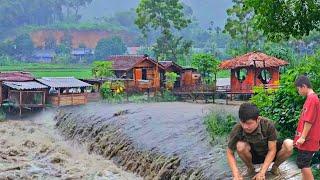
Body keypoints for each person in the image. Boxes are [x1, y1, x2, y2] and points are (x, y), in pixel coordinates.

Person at [226, 103, 293, 180]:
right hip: (254, 155)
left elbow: (272, 150)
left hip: (270, 153)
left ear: (258, 120)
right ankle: (250, 168)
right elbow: (229, 152)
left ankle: (275, 167)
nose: (245, 127)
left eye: (249, 123)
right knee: (240, 145)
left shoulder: (268, 124)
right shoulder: (237, 129)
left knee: (289, 144)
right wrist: (236, 174)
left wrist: (262, 172)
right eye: (242, 122)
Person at [294, 75, 320, 180]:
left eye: (298, 89)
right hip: (308, 139)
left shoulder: (312, 99)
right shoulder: (312, 98)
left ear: (303, 86)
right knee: (303, 163)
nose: (298, 91)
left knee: (303, 163)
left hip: (308, 139)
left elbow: (309, 120)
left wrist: (303, 137)